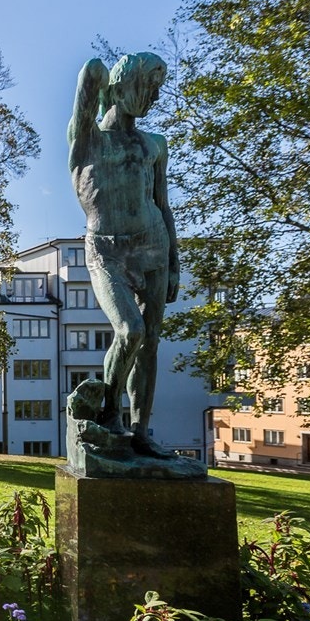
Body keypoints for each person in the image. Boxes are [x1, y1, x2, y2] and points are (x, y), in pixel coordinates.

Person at [68, 52, 178, 459]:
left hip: (152, 246)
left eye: (158, 87)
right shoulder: (87, 138)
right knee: (129, 331)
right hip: (106, 249)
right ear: (123, 86)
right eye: (148, 86)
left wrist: (174, 264)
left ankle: (141, 430)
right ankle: (110, 409)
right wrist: (109, 82)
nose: (155, 96)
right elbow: (90, 72)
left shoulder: (155, 144)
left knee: (149, 344)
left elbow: (162, 205)